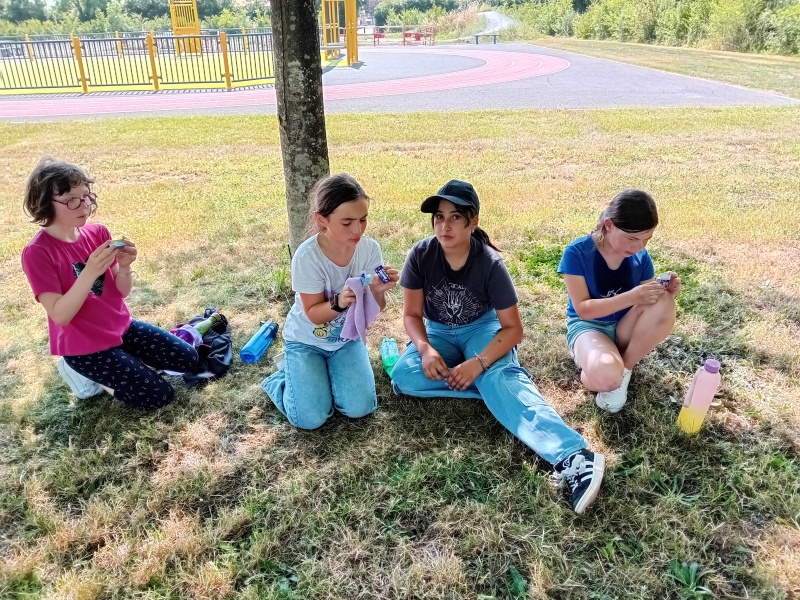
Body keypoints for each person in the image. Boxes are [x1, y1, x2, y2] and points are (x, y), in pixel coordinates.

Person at [390, 180, 604, 514]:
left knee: (492, 373)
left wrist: (478, 362)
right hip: (438, 332)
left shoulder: (490, 263)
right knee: (404, 377)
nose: (444, 226)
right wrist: (425, 349)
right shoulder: (421, 254)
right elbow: (412, 315)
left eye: (455, 217)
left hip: (482, 330)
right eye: (439, 217)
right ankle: (501, 389)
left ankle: (574, 456)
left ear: (473, 222)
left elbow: (513, 329)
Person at [21, 158, 198, 409]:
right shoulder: (37, 252)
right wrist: (89, 272)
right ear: (44, 203)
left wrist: (124, 267)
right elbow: (60, 315)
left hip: (120, 328)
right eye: (71, 200)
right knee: (159, 396)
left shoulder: (98, 233)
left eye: (86, 196)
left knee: (188, 358)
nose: (84, 205)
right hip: (84, 348)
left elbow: (121, 292)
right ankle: (86, 376)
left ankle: (124, 361)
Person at [262, 174, 398, 430]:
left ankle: (317, 381)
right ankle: (280, 381)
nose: (358, 230)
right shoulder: (307, 257)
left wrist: (379, 292)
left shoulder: (370, 249)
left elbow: (375, 307)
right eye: (347, 222)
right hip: (306, 341)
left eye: (363, 219)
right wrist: (340, 301)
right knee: (310, 419)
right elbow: (314, 314)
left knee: (360, 408)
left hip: (347, 339)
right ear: (321, 220)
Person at [557, 189, 681, 413]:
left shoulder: (641, 256)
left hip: (625, 325)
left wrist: (666, 292)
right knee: (606, 377)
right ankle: (596, 366)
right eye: (632, 238)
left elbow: (647, 303)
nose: (639, 247)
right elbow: (583, 310)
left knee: (663, 300)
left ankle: (625, 368)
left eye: (646, 239)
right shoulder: (577, 253)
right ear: (609, 224)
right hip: (589, 327)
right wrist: (632, 296)